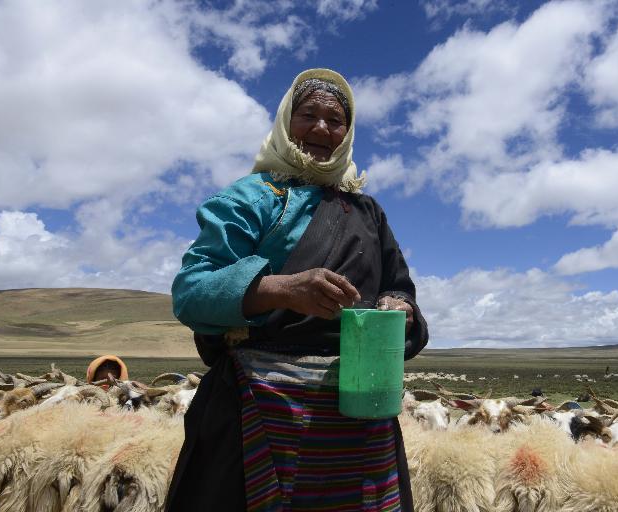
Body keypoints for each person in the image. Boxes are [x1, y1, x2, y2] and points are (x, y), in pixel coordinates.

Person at [165, 68, 429, 512]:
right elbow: (191, 291)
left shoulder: (367, 213)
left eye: (335, 120)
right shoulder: (251, 198)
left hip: (361, 411)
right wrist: (278, 288)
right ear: (287, 121)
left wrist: (400, 306)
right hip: (260, 408)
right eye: (309, 115)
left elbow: (399, 288)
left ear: (348, 132)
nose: (322, 128)